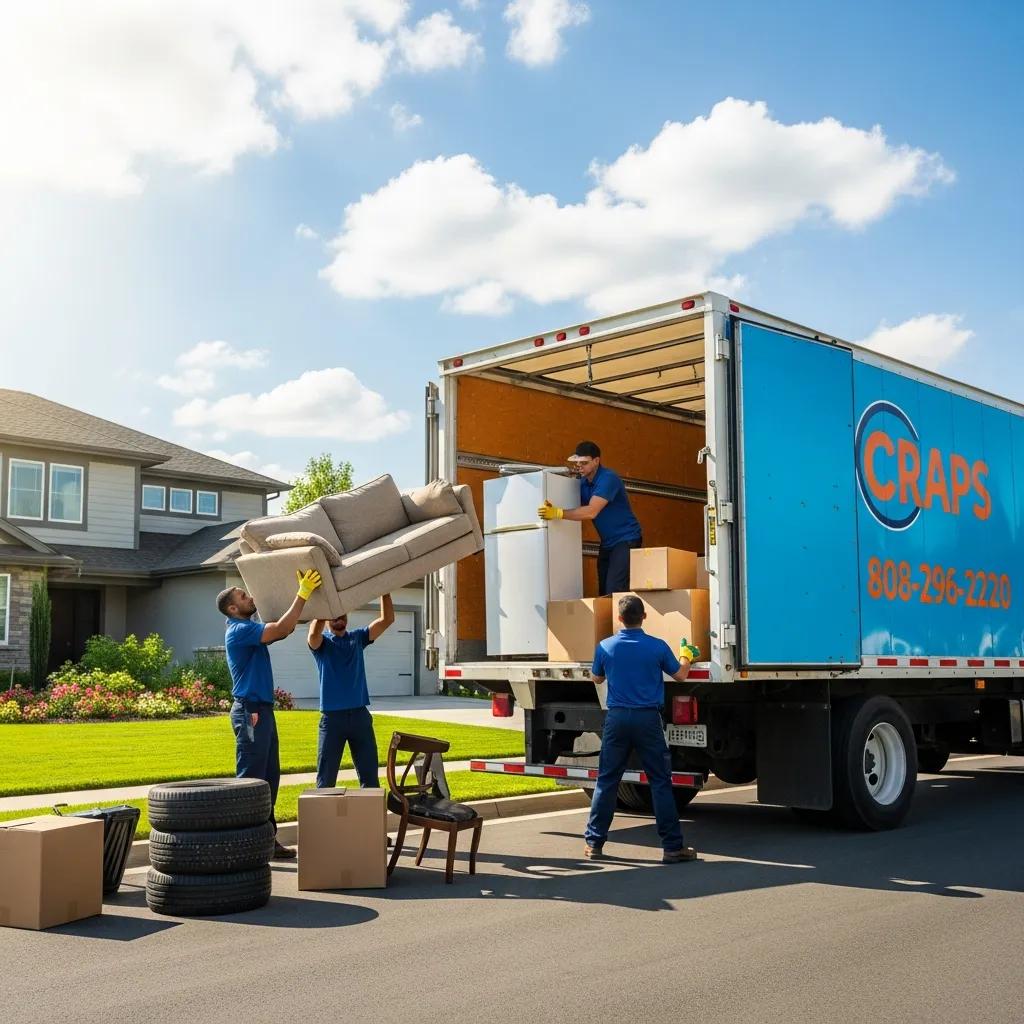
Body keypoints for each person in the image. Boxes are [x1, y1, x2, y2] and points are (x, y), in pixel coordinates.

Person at [584, 594, 701, 863]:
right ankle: (672, 847)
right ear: (644, 617)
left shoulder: (605, 646)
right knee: (660, 782)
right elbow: (681, 675)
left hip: (616, 719)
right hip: (647, 720)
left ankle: (594, 844)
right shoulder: (657, 647)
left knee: (607, 780)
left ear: (619, 618)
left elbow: (596, 677)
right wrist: (686, 657)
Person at [217, 568, 322, 860]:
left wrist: (294, 589)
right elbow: (280, 628)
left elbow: (282, 626)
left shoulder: (248, 629)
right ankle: (244, 844)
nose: (250, 597)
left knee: (269, 778)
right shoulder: (239, 631)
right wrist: (302, 593)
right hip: (250, 713)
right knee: (252, 779)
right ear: (233, 608)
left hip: (262, 712)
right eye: (243, 596)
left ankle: (267, 839)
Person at [307, 594, 395, 790]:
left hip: (359, 716)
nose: (339, 620)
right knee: (325, 780)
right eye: (334, 617)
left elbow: (387, 620)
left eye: (342, 615)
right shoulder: (322, 645)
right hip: (332, 719)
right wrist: (323, 611)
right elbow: (313, 636)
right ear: (327, 620)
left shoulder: (358, 638)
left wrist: (385, 591)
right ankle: (323, 819)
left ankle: (370, 820)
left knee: (370, 779)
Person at [538, 440, 642, 595]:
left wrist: (559, 513)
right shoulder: (582, 482)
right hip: (608, 543)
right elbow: (570, 499)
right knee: (604, 593)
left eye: (584, 463)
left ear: (596, 461)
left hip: (626, 539)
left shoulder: (608, 479)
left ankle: (623, 619)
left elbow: (591, 511)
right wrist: (550, 497)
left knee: (615, 588)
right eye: (578, 463)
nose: (580, 466)